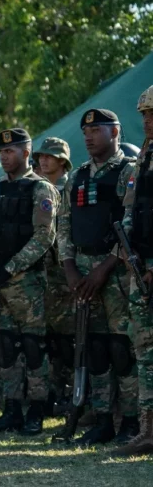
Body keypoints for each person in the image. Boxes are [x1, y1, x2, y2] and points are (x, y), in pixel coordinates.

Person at [57, 109, 138, 445]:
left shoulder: (128, 172)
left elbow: (133, 223)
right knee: (96, 349)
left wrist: (105, 268)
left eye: (96, 129)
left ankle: (132, 421)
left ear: (115, 132)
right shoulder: (77, 176)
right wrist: (71, 268)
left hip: (116, 273)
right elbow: (63, 224)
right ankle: (103, 420)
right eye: (85, 130)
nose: (88, 135)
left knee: (121, 347)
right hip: (82, 276)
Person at [0, 128, 60, 436]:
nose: (4, 155)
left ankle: (36, 409)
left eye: (10, 151)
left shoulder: (41, 190)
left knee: (34, 347)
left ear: (26, 153)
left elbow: (44, 237)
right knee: (7, 347)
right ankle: (11, 409)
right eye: (1, 151)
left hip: (26, 282)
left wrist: (10, 269)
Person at [112, 85, 153, 456]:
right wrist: (128, 252)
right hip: (140, 266)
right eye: (143, 114)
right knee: (145, 348)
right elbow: (132, 206)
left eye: (151, 113)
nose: (146, 120)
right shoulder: (144, 157)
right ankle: (147, 431)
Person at [33, 137, 74, 417]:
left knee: (71, 339)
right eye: (41, 156)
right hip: (43, 275)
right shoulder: (38, 189)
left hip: (67, 274)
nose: (43, 160)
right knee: (50, 340)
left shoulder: (70, 187)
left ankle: (74, 398)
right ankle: (54, 395)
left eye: (50, 156)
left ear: (62, 160)